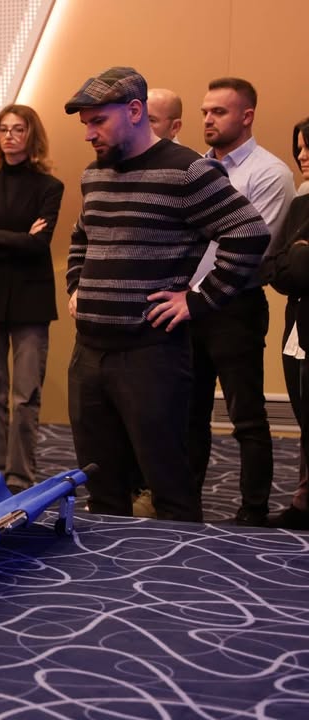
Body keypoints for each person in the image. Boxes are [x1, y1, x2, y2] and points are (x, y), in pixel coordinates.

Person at [63, 66, 269, 522]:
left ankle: (177, 567)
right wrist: (77, 285)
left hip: (150, 355)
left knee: (169, 486)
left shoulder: (188, 171)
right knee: (102, 486)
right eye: (86, 124)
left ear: (135, 111)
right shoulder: (94, 175)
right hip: (89, 354)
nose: (89, 133)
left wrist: (197, 301)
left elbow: (249, 233)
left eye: (99, 121)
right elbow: (81, 236)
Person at [186, 77, 295, 526]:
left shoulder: (270, 173)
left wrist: (202, 288)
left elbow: (253, 249)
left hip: (235, 308)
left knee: (246, 417)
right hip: (187, 306)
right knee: (189, 414)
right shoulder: (194, 168)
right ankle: (185, 505)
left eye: (219, 112)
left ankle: (253, 511)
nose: (208, 120)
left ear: (247, 116)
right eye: (204, 112)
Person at [0, 105, 64, 494]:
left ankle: (20, 478)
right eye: (3, 129)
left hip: (30, 299)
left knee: (25, 396)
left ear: (31, 135)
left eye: (18, 129)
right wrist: (18, 239)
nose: (9, 136)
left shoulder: (49, 187)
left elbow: (40, 244)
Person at [262, 118, 309, 530]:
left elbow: (299, 267)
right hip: (297, 321)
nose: (303, 156)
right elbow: (276, 267)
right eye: (299, 148)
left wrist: (295, 259)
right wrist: (296, 256)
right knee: (304, 414)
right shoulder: (300, 201)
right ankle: (304, 500)